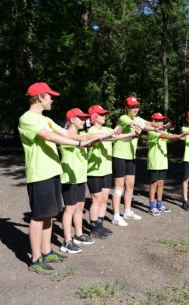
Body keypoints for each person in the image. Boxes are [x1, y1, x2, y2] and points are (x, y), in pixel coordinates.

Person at [18, 82, 99, 274]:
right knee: (38, 217)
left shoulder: (46, 119)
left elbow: (66, 133)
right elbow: (49, 137)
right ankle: (35, 259)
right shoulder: (27, 119)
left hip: (54, 172)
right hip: (39, 174)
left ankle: (47, 252)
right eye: (49, 96)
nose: (52, 100)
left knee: (49, 215)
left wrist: (91, 139)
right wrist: (80, 145)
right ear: (40, 97)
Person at [58, 108, 118, 253]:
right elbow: (86, 140)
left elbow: (91, 138)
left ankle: (78, 234)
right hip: (69, 178)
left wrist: (111, 135)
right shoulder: (65, 136)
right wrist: (106, 135)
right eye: (80, 118)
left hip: (80, 177)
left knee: (79, 207)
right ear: (72, 119)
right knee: (69, 209)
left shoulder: (81, 134)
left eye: (84, 118)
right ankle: (67, 241)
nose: (84, 121)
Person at [111, 96, 171, 226]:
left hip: (131, 156)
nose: (135, 109)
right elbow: (141, 125)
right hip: (119, 155)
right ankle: (116, 215)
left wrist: (160, 126)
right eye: (132, 106)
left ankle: (127, 211)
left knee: (130, 185)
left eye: (136, 106)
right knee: (119, 187)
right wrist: (155, 128)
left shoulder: (138, 118)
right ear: (126, 108)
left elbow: (149, 124)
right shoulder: (123, 118)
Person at [86, 105, 140, 235]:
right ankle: (93, 227)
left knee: (104, 199)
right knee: (96, 200)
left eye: (105, 114)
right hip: (94, 171)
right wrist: (114, 133)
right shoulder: (90, 131)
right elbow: (107, 137)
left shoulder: (106, 128)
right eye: (101, 114)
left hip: (106, 170)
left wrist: (132, 134)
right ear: (94, 117)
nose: (105, 116)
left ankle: (100, 224)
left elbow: (116, 135)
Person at [146, 112, 189, 216]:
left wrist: (179, 136)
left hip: (162, 163)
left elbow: (170, 137)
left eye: (162, 120)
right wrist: (176, 135)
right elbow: (165, 135)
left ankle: (160, 204)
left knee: (161, 184)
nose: (162, 122)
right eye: (159, 120)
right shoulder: (152, 132)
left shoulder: (163, 132)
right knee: (154, 184)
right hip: (154, 163)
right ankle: (152, 206)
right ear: (153, 122)